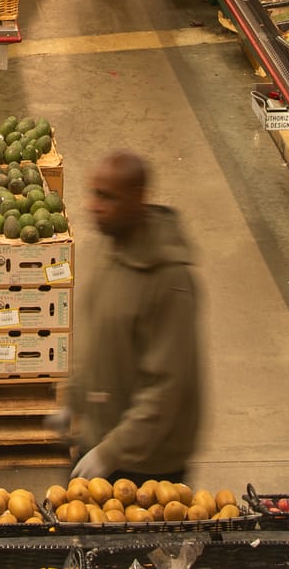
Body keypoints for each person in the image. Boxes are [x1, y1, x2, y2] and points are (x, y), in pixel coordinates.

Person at [65, 151, 202, 481]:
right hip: (100, 441)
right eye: (93, 193)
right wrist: (76, 400)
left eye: (107, 197)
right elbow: (97, 336)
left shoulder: (170, 280)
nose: (93, 205)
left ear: (138, 199)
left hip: (148, 465)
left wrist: (111, 453)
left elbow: (167, 387)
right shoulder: (105, 248)